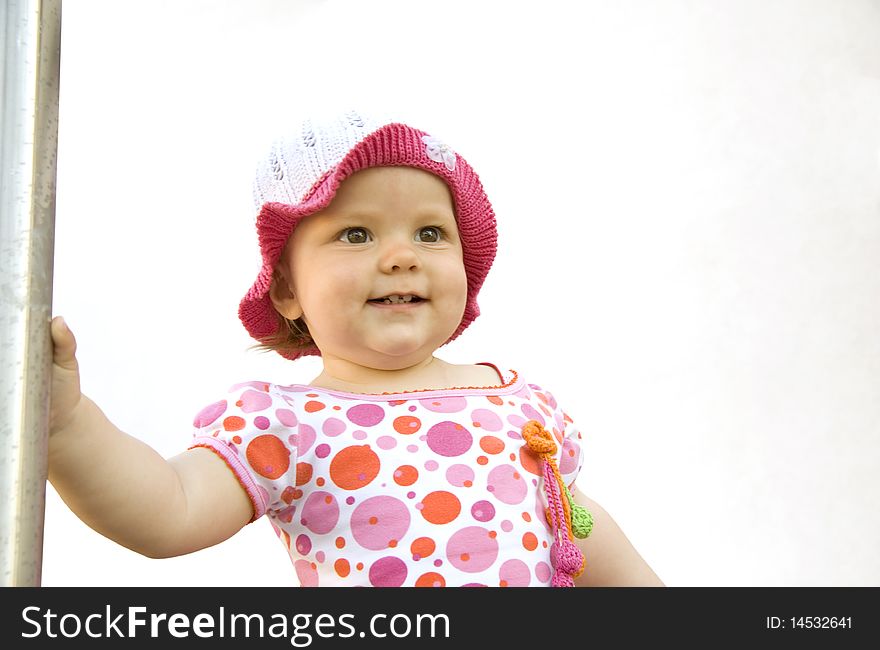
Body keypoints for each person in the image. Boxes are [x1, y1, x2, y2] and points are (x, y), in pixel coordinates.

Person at [48, 110, 663, 587]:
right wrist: (67, 426)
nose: (400, 256)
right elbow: (168, 510)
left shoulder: (519, 404)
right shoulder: (286, 425)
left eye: (430, 232)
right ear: (287, 289)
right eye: (356, 233)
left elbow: (582, 538)